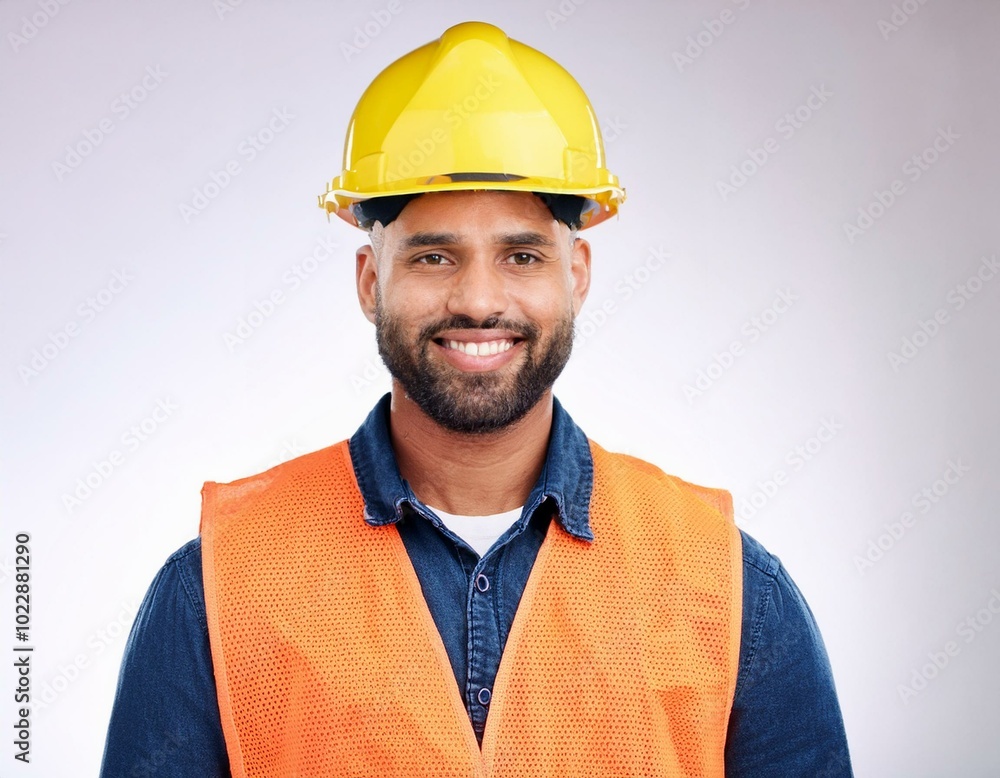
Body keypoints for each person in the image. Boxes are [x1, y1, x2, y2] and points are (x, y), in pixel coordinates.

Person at [100, 21, 852, 777]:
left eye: (522, 255)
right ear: (371, 281)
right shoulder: (220, 588)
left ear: (577, 275)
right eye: (433, 255)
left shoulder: (728, 588)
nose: (479, 299)